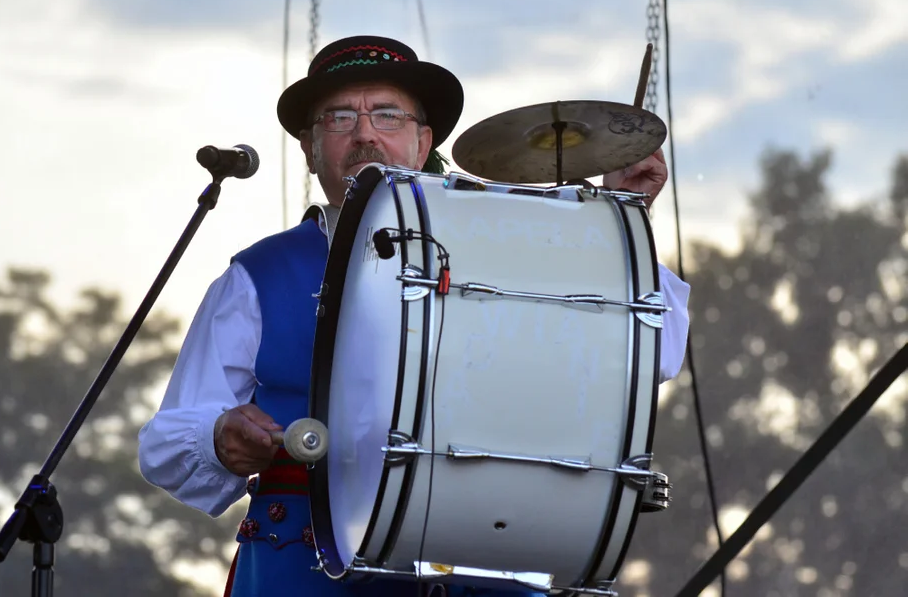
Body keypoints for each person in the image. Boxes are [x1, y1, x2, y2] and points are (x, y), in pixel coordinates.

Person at [137, 36, 692, 597]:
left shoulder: (513, 246)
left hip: (483, 569)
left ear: (424, 141)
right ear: (310, 148)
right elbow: (165, 444)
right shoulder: (259, 276)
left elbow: (655, 355)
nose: (364, 133)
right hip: (301, 575)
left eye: (386, 114)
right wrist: (216, 437)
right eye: (340, 117)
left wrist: (626, 222)